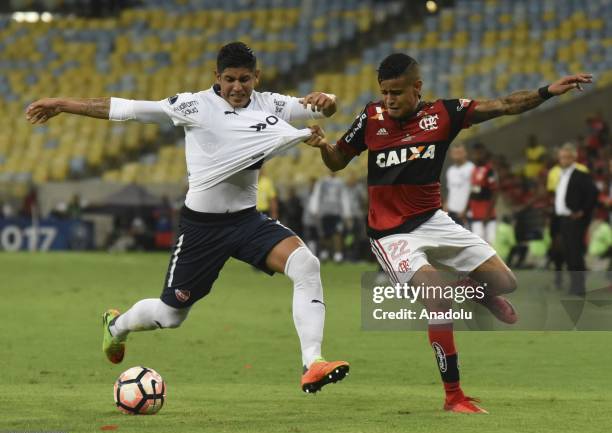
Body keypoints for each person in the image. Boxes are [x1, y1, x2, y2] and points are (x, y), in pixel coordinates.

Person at [26, 42, 349, 394]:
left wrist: (326, 100)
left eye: (245, 79)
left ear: (256, 77)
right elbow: (126, 109)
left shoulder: (270, 103)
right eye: (229, 80)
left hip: (246, 222)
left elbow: (320, 108)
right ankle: (116, 326)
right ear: (217, 77)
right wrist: (62, 104)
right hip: (202, 228)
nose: (237, 88)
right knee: (170, 315)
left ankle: (312, 363)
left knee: (306, 265)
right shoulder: (194, 106)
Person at [306, 52, 591, 413]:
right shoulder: (371, 116)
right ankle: (453, 395)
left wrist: (548, 91)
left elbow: (503, 104)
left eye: (396, 92)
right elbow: (337, 161)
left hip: (433, 220)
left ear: (417, 88)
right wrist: (322, 148)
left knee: (505, 283)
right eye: (384, 92)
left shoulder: (443, 114)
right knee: (438, 299)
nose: (389, 100)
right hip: (391, 234)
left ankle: (476, 292)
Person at [554, 143, 599, 296]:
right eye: (561, 157)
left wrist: (582, 212)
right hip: (563, 219)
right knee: (568, 252)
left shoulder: (580, 175)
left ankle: (579, 287)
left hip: (575, 219)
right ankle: (574, 284)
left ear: (574, 158)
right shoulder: (562, 174)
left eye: (566, 157)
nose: (563, 160)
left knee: (575, 253)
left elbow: (593, 193)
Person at [469, 143, 498, 244]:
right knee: (479, 244)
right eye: (475, 153)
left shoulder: (489, 170)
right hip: (476, 215)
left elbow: (494, 193)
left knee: (491, 244)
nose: (477, 156)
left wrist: (488, 214)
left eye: (480, 153)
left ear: (484, 154)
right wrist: (466, 210)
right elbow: (473, 191)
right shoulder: (474, 170)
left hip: (488, 216)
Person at [443, 143, 474, 227]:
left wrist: (466, 210)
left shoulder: (471, 168)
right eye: (455, 153)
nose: (457, 155)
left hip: (466, 213)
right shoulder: (450, 171)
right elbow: (450, 190)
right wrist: (446, 205)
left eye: (459, 152)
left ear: (465, 153)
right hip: (452, 212)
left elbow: (473, 191)